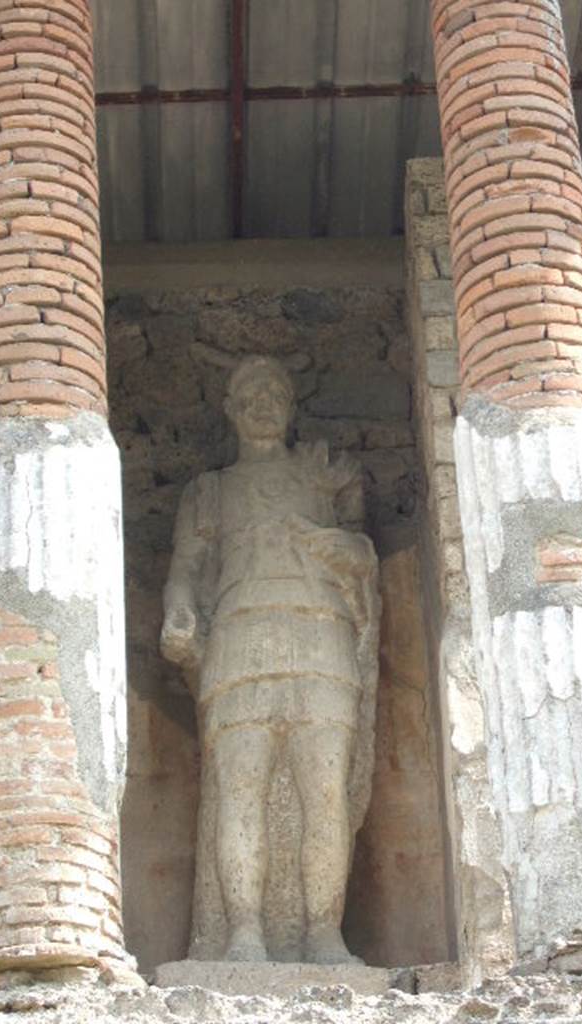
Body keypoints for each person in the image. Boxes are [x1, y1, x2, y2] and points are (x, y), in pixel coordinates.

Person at [161, 356, 380, 964]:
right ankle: (244, 933)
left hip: (322, 643)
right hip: (239, 643)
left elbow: (365, 556)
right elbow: (185, 569)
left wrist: (343, 547)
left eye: (275, 392)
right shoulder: (209, 491)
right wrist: (178, 612)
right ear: (230, 409)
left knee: (324, 794)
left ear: (290, 406)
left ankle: (322, 932)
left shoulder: (326, 479)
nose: (263, 402)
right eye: (250, 393)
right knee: (241, 793)